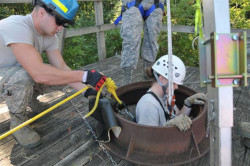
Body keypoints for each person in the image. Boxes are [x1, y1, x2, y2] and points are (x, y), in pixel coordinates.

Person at [0, 0, 106, 148]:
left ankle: (29, 99)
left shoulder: (50, 36)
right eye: (59, 21)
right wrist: (86, 76)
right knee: (24, 76)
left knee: (59, 74)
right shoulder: (16, 25)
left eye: (65, 23)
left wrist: (88, 91)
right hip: (7, 79)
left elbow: (62, 68)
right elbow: (38, 74)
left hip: (12, 77)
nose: (61, 28)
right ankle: (18, 122)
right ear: (42, 12)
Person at [136, 55, 207, 132]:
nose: (176, 87)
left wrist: (187, 104)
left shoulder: (166, 97)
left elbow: (178, 118)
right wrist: (169, 125)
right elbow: (148, 139)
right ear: (162, 79)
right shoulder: (149, 105)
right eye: (174, 83)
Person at [118, 0, 165, 84]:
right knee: (130, 40)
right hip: (131, 3)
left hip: (156, 3)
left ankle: (148, 74)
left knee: (152, 41)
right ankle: (127, 81)